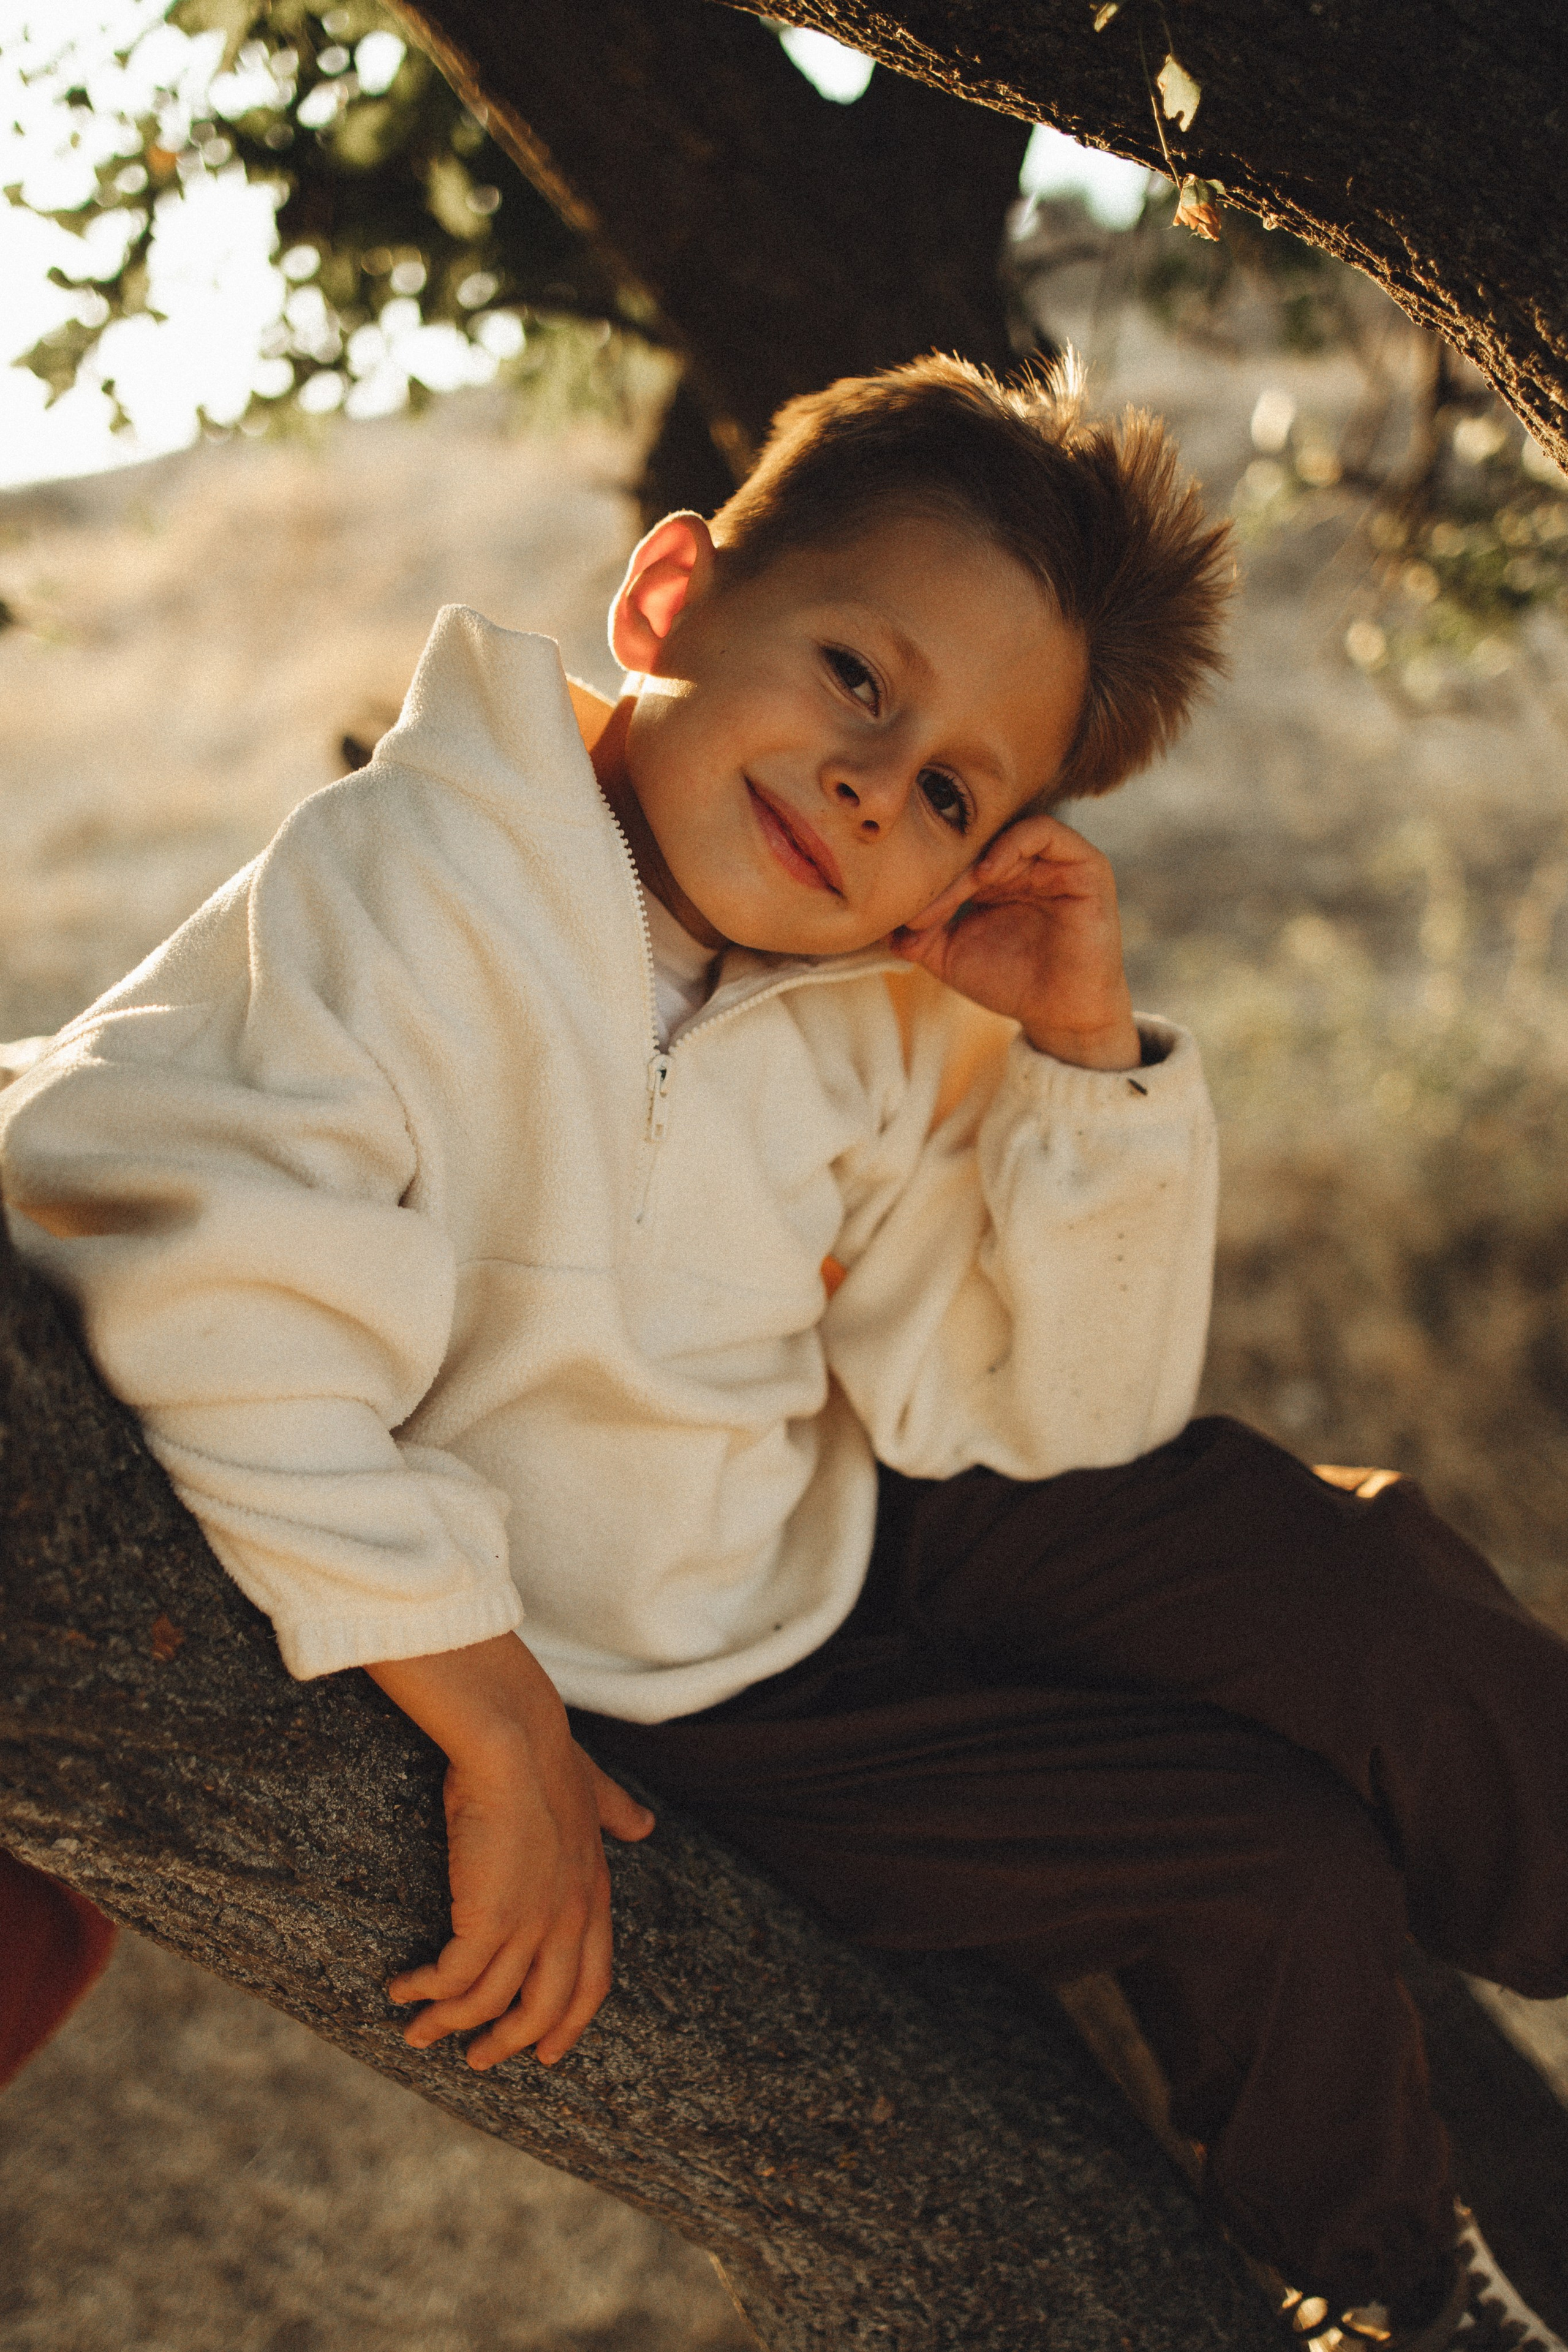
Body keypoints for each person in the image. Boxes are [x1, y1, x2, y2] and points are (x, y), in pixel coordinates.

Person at [2, 355, 1563, 2352]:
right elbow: (203, 1276)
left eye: (948, 795)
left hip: (872, 1510)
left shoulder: (885, 1010)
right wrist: (492, 1719)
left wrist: (1077, 1063)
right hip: (679, 1683)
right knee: (1263, 1868)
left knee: (1343, 1571)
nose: (871, 784)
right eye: (856, 679)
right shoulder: (411, 881)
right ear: (666, 602)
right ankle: (1390, 2285)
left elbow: (1038, 1413)